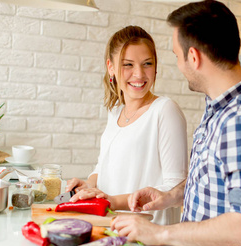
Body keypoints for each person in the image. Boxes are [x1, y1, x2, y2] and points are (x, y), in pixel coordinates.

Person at [110, 1, 241, 246]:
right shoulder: (220, 109)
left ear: (194, 56)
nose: (178, 66)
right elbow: (218, 185)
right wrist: (170, 196)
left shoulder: (240, 121)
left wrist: (160, 233)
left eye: (177, 56)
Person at [66, 26, 188, 226]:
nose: (139, 74)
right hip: (110, 226)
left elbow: (174, 189)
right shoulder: (115, 112)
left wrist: (114, 202)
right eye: (128, 64)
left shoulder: (165, 110)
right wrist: (88, 184)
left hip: (148, 233)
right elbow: (103, 165)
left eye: (147, 63)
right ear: (111, 67)